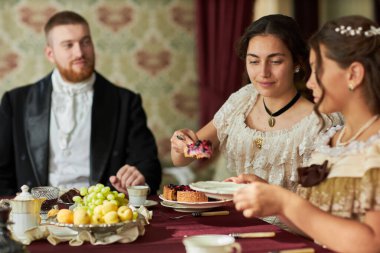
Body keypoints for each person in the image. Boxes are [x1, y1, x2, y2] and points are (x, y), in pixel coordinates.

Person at [233, 15, 380, 252]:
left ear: (353, 74)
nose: (309, 83)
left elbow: (373, 243)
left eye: (318, 70)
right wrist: (273, 197)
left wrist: (286, 202)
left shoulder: (376, 147)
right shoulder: (331, 140)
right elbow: (314, 226)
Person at [0, 11, 162, 196]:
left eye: (85, 42)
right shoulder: (15, 102)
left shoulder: (125, 102)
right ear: (50, 54)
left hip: (101, 216)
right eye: (68, 45)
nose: (80, 52)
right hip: (37, 216)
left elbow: (149, 165)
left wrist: (138, 179)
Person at [171, 15, 340, 191]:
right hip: (234, 214)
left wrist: (270, 194)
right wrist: (181, 144)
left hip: (286, 218)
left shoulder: (321, 122)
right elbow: (184, 158)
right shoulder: (242, 101)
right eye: (254, 61)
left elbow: (322, 200)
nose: (263, 72)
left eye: (275, 61)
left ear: (296, 62)